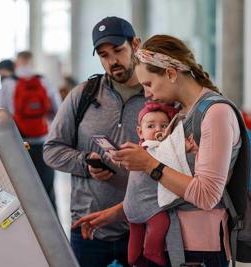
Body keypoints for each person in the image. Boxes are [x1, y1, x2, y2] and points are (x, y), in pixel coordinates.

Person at [73, 34, 241, 267]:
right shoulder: (182, 115)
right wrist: (116, 213)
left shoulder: (215, 114)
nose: (147, 94)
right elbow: (169, 190)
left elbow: (206, 195)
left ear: (171, 73)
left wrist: (148, 163)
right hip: (176, 246)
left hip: (199, 251)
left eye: (149, 84)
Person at [43, 17, 145, 267]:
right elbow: (52, 149)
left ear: (135, 44)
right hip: (88, 229)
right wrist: (85, 163)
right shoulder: (83, 95)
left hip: (143, 227)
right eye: (103, 55)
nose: (112, 61)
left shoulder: (157, 94)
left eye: (118, 51)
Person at [0, 51, 61, 211]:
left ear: (17, 64)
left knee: (21, 191)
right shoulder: (43, 81)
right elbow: (58, 109)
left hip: (19, 144)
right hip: (43, 143)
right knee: (47, 189)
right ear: (31, 62)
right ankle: (53, 230)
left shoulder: (8, 83)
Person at [124, 102, 181, 267]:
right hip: (148, 205)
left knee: (136, 232)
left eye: (164, 125)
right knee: (162, 221)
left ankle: (133, 257)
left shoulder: (138, 149)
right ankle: (152, 250)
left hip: (131, 205)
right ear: (140, 132)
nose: (158, 130)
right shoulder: (153, 147)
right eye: (151, 126)